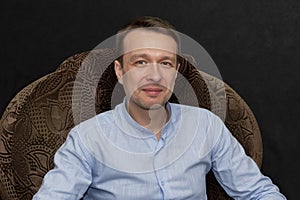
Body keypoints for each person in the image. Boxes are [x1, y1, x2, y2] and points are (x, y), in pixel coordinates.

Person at [33, 16, 286, 199]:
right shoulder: (87, 139)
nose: (154, 76)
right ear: (120, 71)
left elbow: (258, 192)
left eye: (165, 63)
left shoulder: (206, 125)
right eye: (141, 62)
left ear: (175, 72)